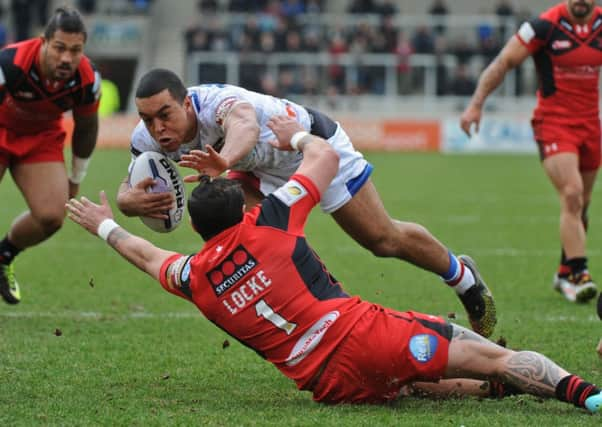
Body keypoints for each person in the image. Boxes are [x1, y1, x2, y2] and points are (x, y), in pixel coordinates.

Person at [67, 116, 602, 412]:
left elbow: (148, 255)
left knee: (412, 380)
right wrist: (295, 134)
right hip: (364, 337)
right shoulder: (272, 222)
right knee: (488, 354)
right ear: (243, 212)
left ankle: (489, 387)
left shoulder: (193, 276)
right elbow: (323, 158)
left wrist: (104, 225)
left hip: (327, 383)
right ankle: (586, 395)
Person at [116, 69, 497, 338]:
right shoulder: (148, 135)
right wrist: (128, 202)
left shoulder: (216, 101)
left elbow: (245, 125)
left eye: (165, 115)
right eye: (148, 120)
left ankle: (464, 277)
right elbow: (129, 182)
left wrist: (225, 162)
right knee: (259, 246)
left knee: (382, 240)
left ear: (185, 103)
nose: (158, 129)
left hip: (310, 147)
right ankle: (330, 314)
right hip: (254, 169)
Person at [460, 0, 600, 304]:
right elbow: (503, 63)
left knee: (582, 206)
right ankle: (579, 274)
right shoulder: (543, 27)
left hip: (591, 125)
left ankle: (564, 273)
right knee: (572, 194)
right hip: (554, 124)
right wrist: (476, 103)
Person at [0, 7, 100, 305]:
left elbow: (86, 128)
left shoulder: (86, 79)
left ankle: (3, 257)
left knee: (52, 216)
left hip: (41, 138)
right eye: (59, 48)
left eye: (75, 50)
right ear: (43, 42)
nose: (67, 58)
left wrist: (76, 178)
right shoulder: (10, 64)